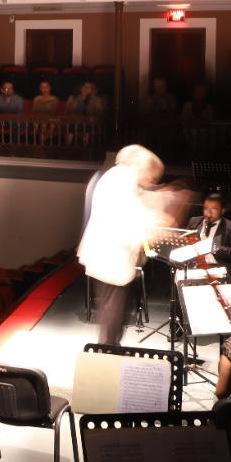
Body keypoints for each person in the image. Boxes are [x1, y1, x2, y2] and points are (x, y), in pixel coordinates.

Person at [77, 145, 176, 345]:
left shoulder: (122, 177)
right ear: (143, 169)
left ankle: (110, 348)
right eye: (152, 176)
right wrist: (155, 225)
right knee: (112, 314)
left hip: (114, 256)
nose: (151, 182)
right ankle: (107, 352)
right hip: (111, 255)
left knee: (114, 313)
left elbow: (137, 208)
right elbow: (125, 221)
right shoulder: (122, 181)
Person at [186, 193, 231, 275]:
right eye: (206, 208)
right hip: (195, 268)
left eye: (214, 209)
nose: (208, 213)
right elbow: (184, 244)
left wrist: (213, 247)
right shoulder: (194, 222)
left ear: (222, 210)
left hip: (218, 269)